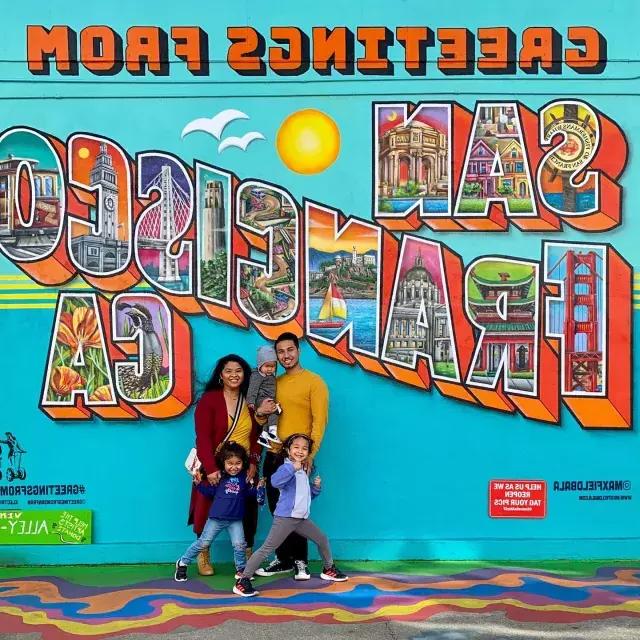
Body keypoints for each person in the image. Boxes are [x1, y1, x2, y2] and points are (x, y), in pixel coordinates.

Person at [187, 354, 276, 576]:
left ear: (245, 374)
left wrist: (254, 462)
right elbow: (203, 437)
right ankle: (203, 553)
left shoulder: (251, 401)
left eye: (238, 370)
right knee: (205, 508)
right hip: (215, 465)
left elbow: (258, 436)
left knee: (248, 510)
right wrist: (211, 468)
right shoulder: (209, 400)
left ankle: (247, 558)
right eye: (228, 371)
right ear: (221, 375)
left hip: (243, 465)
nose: (234, 375)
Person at [234, 434, 347, 597]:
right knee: (267, 548)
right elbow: (275, 481)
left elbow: (303, 496)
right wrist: (292, 467)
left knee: (322, 539)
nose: (300, 451)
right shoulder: (287, 467)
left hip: (300, 519)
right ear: (288, 450)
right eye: (296, 447)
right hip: (285, 518)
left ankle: (329, 569)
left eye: (304, 448)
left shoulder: (302, 470)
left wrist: (315, 488)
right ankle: (242, 581)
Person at [256, 332, 329, 580]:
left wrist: (309, 455)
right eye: (281, 352)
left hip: (298, 458)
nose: (286, 355)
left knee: (296, 511)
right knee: (279, 511)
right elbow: (262, 417)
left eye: (290, 350)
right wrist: (260, 412)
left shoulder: (314, 382)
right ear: (276, 356)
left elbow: (319, 422)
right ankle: (284, 559)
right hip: (274, 455)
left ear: (298, 351)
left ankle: (300, 562)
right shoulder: (274, 382)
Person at [176, 442, 265, 581]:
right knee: (203, 543)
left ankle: (241, 570)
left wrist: (259, 488)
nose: (234, 467)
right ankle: (182, 563)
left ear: (243, 463)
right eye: (230, 463)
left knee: (240, 545)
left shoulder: (244, 479)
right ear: (223, 462)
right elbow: (209, 491)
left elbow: (249, 494)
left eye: (238, 463)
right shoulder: (220, 477)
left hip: (235, 520)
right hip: (216, 519)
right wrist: (198, 483)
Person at [246, 345, 281, 449]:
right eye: (267, 366)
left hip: (267, 398)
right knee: (275, 411)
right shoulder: (257, 376)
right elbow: (253, 388)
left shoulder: (270, 376)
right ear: (260, 365)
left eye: (273, 366)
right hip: (261, 399)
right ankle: (272, 433)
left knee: (268, 416)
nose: (270, 369)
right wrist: (251, 402)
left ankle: (263, 436)